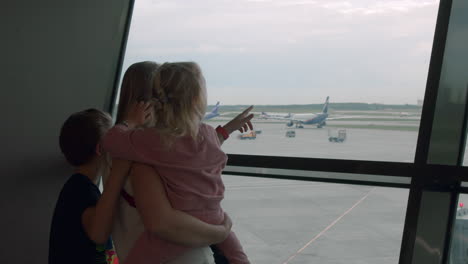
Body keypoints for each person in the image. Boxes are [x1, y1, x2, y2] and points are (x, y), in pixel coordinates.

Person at [103, 62, 252, 264]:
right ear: (197, 99)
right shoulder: (206, 133)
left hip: (180, 229)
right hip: (214, 217)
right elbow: (202, 149)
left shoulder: (150, 142)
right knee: (238, 256)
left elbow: (111, 140)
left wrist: (130, 122)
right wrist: (228, 129)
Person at [49, 108, 130, 264]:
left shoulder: (78, 187)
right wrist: (119, 171)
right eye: (112, 139)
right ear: (100, 148)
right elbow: (99, 233)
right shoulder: (80, 191)